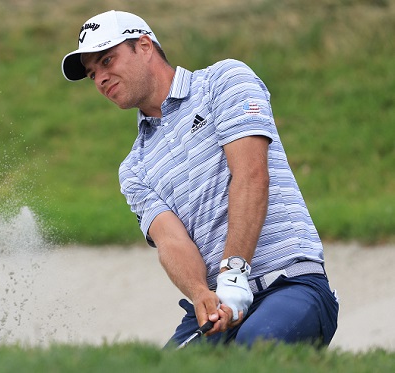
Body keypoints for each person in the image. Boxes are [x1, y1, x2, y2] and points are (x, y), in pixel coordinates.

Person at [61, 10, 339, 348]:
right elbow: (171, 241)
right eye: (92, 74)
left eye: (107, 60)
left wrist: (234, 273)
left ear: (145, 46)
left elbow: (251, 177)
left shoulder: (223, 81)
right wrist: (199, 293)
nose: (100, 78)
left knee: (254, 347)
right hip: (217, 307)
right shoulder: (134, 168)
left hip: (290, 285)